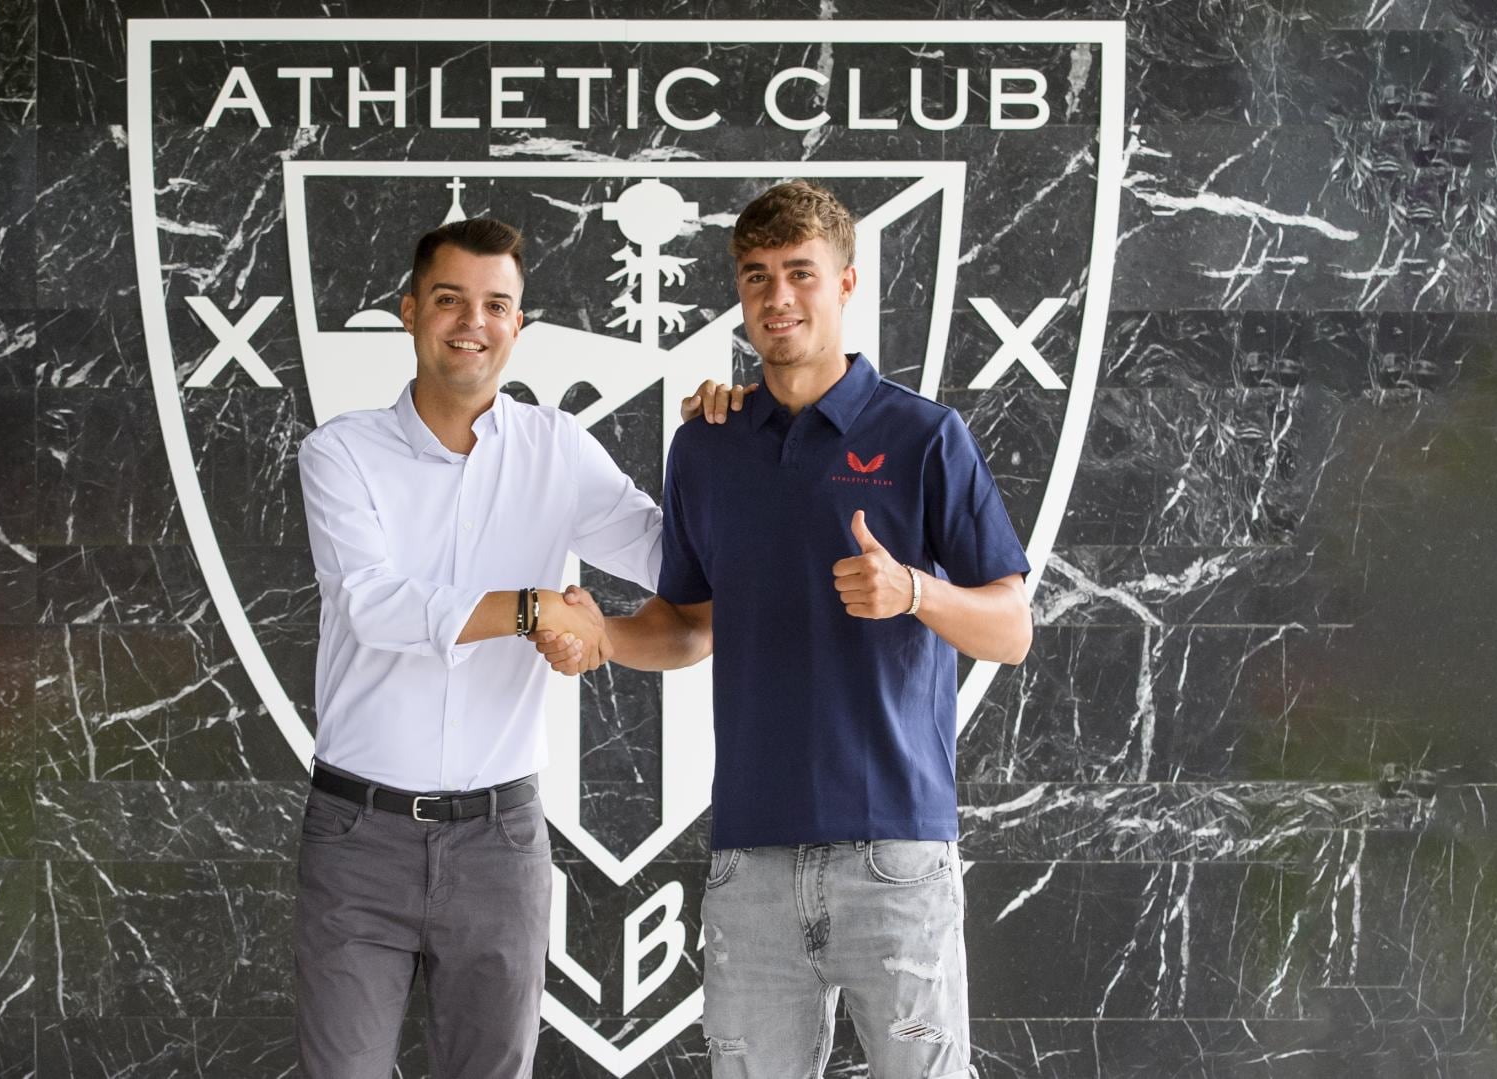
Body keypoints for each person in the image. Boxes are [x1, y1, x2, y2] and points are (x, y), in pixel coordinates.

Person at [540, 180, 1032, 1077]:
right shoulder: (706, 444)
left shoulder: (925, 437)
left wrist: (915, 592)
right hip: (750, 862)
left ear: (846, 284)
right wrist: (606, 635)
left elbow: (1012, 628)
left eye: (800, 273)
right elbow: (690, 624)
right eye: (757, 276)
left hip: (897, 854)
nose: (778, 298)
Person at [292, 215, 730, 1078]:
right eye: (450, 299)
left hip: (499, 842)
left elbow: (671, 557)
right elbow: (375, 605)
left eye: (497, 305)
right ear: (410, 311)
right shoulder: (340, 452)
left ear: (519, 326)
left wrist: (728, 445)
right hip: (358, 837)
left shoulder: (555, 449)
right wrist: (534, 609)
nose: (473, 322)